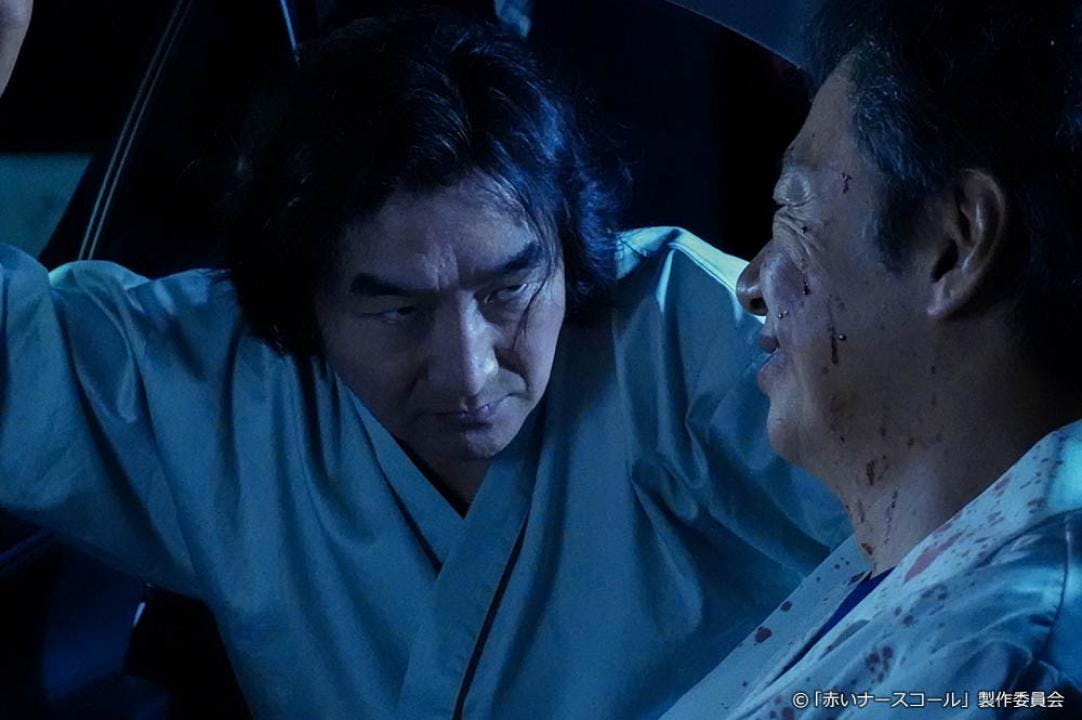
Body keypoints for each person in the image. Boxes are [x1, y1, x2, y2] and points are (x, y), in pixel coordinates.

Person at [0, 7, 847, 718]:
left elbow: (928, 559)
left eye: (509, 291)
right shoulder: (224, 382)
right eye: (397, 310)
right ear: (304, 298)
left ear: (567, 249)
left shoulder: (690, 334)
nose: (469, 373)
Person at [662, 1, 1082, 718]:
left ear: (954, 245)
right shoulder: (928, 567)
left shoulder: (999, 664)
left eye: (793, 210)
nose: (751, 284)